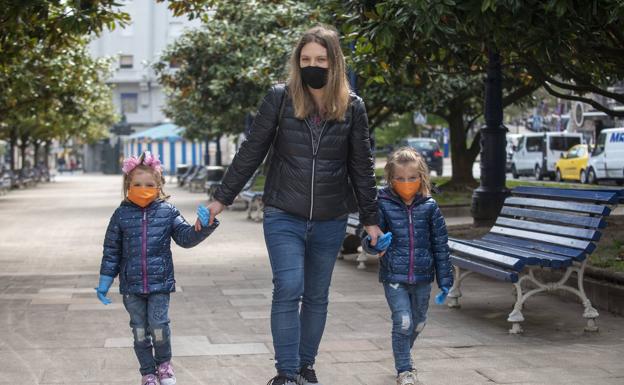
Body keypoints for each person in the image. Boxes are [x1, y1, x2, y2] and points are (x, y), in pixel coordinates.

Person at [201, 25, 383, 385]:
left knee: (316, 295)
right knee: (288, 286)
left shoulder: (354, 107)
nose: (312, 65)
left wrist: (371, 220)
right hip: (284, 211)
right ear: (297, 62)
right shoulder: (280, 98)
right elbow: (252, 150)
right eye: (305, 59)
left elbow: (361, 166)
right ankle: (285, 374)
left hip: (331, 217)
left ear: (335, 63)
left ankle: (305, 366)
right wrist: (221, 198)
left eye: (320, 59)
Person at [96, 151, 218, 385]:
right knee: (140, 330)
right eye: (138, 184)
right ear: (128, 185)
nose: (143, 188)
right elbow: (111, 250)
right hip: (131, 288)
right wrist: (105, 280)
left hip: (159, 284)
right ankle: (147, 373)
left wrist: (203, 226)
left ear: (159, 185)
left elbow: (185, 238)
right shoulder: (121, 215)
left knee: (159, 325)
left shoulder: (168, 212)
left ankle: (164, 365)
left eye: (149, 184)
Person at [362, 147, 454, 385]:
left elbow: (441, 246)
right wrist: (375, 244)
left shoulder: (430, 207)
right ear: (391, 179)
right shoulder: (382, 203)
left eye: (412, 178)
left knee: (419, 322)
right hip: (394, 275)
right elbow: (371, 239)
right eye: (400, 178)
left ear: (421, 177)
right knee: (403, 321)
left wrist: (445, 281)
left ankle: (402, 350)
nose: (406, 183)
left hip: (423, 277)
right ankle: (405, 369)